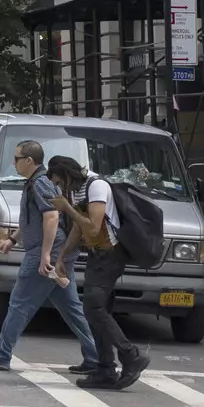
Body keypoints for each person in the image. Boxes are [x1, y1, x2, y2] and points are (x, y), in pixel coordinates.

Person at [0, 141, 100, 374]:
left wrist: (45, 255)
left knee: (19, 303)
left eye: (17, 158)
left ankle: (1, 353)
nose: (14, 163)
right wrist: (13, 239)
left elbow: (50, 217)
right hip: (52, 250)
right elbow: (35, 217)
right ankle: (96, 357)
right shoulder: (36, 182)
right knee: (71, 309)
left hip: (44, 250)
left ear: (29, 160)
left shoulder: (40, 183)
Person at [50, 155, 148, 390]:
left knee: (93, 308)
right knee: (98, 310)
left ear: (67, 174)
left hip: (110, 254)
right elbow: (78, 227)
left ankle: (131, 356)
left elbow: (93, 225)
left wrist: (67, 208)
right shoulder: (78, 189)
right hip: (97, 254)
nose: (60, 188)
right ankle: (105, 369)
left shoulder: (96, 186)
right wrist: (62, 257)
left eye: (59, 182)